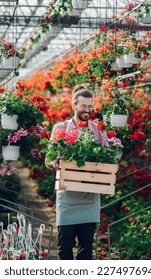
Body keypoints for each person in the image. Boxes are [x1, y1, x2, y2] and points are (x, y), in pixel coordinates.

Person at [45, 85, 108, 260]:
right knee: (64, 249)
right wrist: (54, 162)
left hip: (90, 198)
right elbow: (48, 159)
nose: (87, 110)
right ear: (74, 105)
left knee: (86, 250)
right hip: (67, 197)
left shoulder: (98, 130)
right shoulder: (60, 128)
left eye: (90, 106)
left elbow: (107, 159)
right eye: (83, 106)